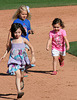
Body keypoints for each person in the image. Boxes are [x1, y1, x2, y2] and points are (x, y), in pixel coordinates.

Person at [0, 23, 35, 98]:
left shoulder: (23, 40)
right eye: (15, 32)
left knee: (21, 75)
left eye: (19, 32)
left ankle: (22, 80)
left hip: (22, 60)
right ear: (12, 32)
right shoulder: (12, 40)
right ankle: (19, 91)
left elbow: (31, 47)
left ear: (21, 32)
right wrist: (4, 55)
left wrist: (33, 57)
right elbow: (8, 48)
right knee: (17, 75)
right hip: (13, 60)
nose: (17, 34)